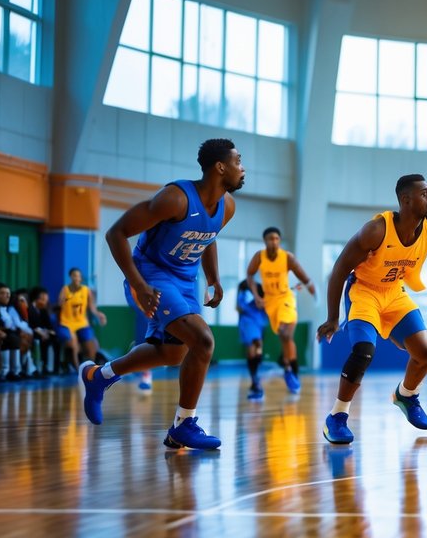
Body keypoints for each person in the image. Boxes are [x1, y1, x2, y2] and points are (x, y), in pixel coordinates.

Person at [79, 138, 245, 450]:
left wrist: (214, 278)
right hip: (151, 276)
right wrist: (139, 285)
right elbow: (116, 233)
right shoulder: (176, 199)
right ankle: (183, 425)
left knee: (172, 354)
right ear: (220, 167)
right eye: (238, 161)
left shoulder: (228, 207)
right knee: (204, 341)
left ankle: (98, 376)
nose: (243, 168)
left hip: (185, 281)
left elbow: (208, 238)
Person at [316, 174, 427, 444]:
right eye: (425, 193)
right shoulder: (376, 230)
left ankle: (406, 395)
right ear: (406, 200)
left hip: (394, 293)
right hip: (364, 292)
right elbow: (339, 269)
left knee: (426, 354)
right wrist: (333, 317)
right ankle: (337, 417)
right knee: (363, 352)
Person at [246, 226, 316, 394]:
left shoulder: (287, 258)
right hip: (270, 301)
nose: (274, 241)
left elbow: (304, 278)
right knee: (283, 337)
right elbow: (249, 275)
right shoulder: (259, 257)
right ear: (265, 241)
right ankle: (287, 365)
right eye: (271, 238)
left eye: (277, 238)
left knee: (286, 334)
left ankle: (293, 373)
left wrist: (314, 292)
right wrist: (256, 295)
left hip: (286, 298)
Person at [57, 268, 108, 369]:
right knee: (73, 343)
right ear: (71, 277)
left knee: (90, 345)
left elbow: (92, 308)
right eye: (74, 275)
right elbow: (59, 305)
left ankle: (91, 369)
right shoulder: (65, 290)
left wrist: (99, 315)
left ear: (81, 278)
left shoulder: (86, 290)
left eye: (79, 276)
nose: (77, 278)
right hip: (67, 322)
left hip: (81, 323)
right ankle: (77, 369)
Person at [236, 280, 270, 400]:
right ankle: (255, 380)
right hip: (248, 323)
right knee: (253, 348)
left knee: (257, 351)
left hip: (259, 324)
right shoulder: (244, 294)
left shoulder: (262, 291)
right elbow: (239, 307)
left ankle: (254, 379)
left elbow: (266, 306)